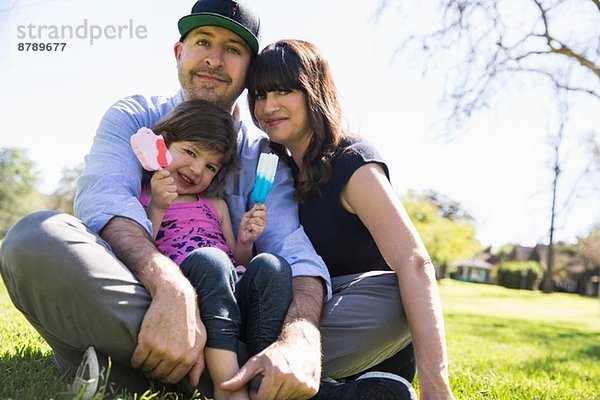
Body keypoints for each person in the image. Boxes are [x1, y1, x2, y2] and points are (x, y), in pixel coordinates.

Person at [0, 1, 429, 399]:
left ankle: (139, 371)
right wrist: (170, 288)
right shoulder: (135, 116)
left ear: (249, 71)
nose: (214, 59)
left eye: (233, 49)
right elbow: (104, 203)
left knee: (393, 299)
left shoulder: (263, 157)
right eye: (203, 42)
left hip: (239, 306)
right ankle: (253, 381)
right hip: (141, 291)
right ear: (178, 52)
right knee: (34, 238)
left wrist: (300, 335)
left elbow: (289, 248)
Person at [226, 39, 457, 399]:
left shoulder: (351, 162)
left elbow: (414, 262)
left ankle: (244, 369)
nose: (268, 106)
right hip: (293, 322)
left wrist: (435, 384)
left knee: (399, 294)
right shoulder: (274, 172)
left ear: (313, 91)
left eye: (284, 90)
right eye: (258, 95)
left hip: (352, 327)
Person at [140, 99, 272, 400]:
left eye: (210, 165)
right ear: (164, 143)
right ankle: (229, 389)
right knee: (210, 260)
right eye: (190, 152)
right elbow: (143, 247)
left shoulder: (216, 205)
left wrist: (245, 242)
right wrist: (159, 206)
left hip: (230, 287)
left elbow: (236, 260)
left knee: (272, 267)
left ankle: (262, 382)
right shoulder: (146, 198)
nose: (197, 169)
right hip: (190, 291)